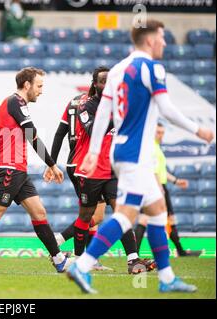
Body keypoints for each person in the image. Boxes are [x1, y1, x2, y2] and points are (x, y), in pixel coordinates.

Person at [67, 19, 214, 294]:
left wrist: (96, 150)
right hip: (136, 153)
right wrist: (198, 130)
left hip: (121, 152)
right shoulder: (151, 67)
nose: (165, 43)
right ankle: (82, 265)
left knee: (157, 211)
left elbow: (103, 113)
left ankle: (167, 278)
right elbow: (166, 108)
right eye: (162, 37)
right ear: (150, 40)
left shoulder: (118, 70)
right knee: (125, 215)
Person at [49, 66, 155, 274]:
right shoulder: (86, 106)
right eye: (102, 81)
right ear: (95, 84)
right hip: (89, 170)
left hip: (112, 169)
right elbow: (91, 130)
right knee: (87, 217)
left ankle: (133, 260)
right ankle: (78, 258)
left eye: (110, 80)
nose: (107, 84)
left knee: (121, 213)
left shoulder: (121, 104)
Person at [0, 67, 71, 274]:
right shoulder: (15, 101)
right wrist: (51, 163)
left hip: (18, 169)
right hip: (9, 168)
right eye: (39, 86)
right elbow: (32, 134)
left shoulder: (16, 103)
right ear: (27, 85)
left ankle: (59, 260)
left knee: (39, 212)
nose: (41, 91)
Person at [135, 123, 202, 257]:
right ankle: (179, 251)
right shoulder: (152, 148)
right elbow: (153, 171)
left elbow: (161, 171)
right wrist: (159, 188)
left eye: (162, 132)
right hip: (155, 187)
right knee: (154, 219)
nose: (161, 135)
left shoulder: (156, 148)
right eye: (158, 132)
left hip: (158, 186)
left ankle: (135, 254)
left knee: (154, 218)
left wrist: (176, 181)